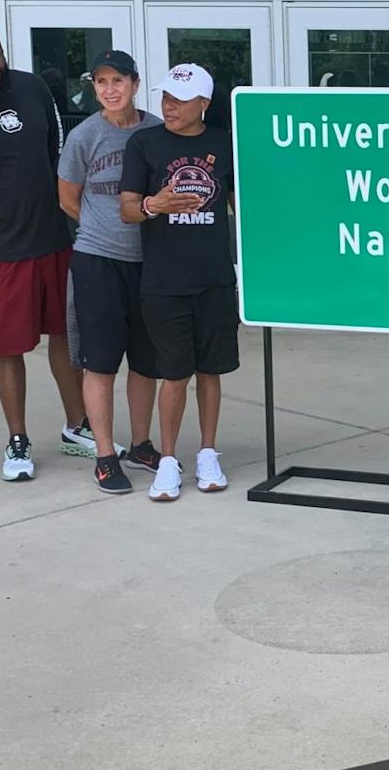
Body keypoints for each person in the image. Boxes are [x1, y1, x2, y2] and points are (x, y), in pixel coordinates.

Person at [0, 17, 89, 480]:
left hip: (51, 238)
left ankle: (77, 427)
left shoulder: (32, 89)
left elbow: (54, 152)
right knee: (7, 348)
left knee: (65, 336)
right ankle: (18, 441)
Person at [119, 64, 239, 502]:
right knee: (173, 374)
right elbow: (128, 208)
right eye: (165, 96)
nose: (168, 105)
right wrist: (155, 204)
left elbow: (241, 202)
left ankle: (208, 453)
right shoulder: (144, 143)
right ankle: (167, 460)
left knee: (211, 371)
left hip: (214, 279)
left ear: (203, 104)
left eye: (180, 98)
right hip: (163, 282)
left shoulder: (225, 144)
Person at [57, 49, 164, 495]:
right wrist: (103, 228)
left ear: (135, 84)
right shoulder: (85, 136)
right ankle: (104, 455)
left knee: (146, 360)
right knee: (99, 362)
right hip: (98, 259)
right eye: (101, 82)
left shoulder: (158, 130)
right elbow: (67, 198)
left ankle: (141, 444)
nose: (109, 90)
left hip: (152, 261)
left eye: (117, 81)